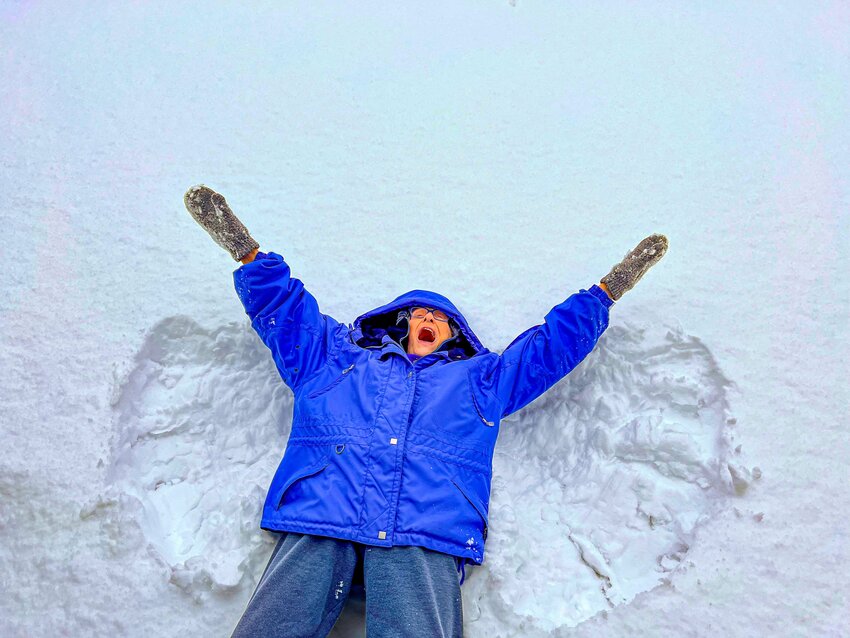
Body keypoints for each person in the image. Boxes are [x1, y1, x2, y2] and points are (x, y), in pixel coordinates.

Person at [183, 185, 668, 638]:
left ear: (454, 336)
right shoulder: (333, 358)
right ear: (401, 323)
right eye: (422, 313)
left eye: (442, 319)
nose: (431, 319)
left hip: (426, 526)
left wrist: (606, 292)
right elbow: (289, 317)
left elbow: (544, 352)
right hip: (322, 513)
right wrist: (247, 252)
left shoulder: (479, 381)